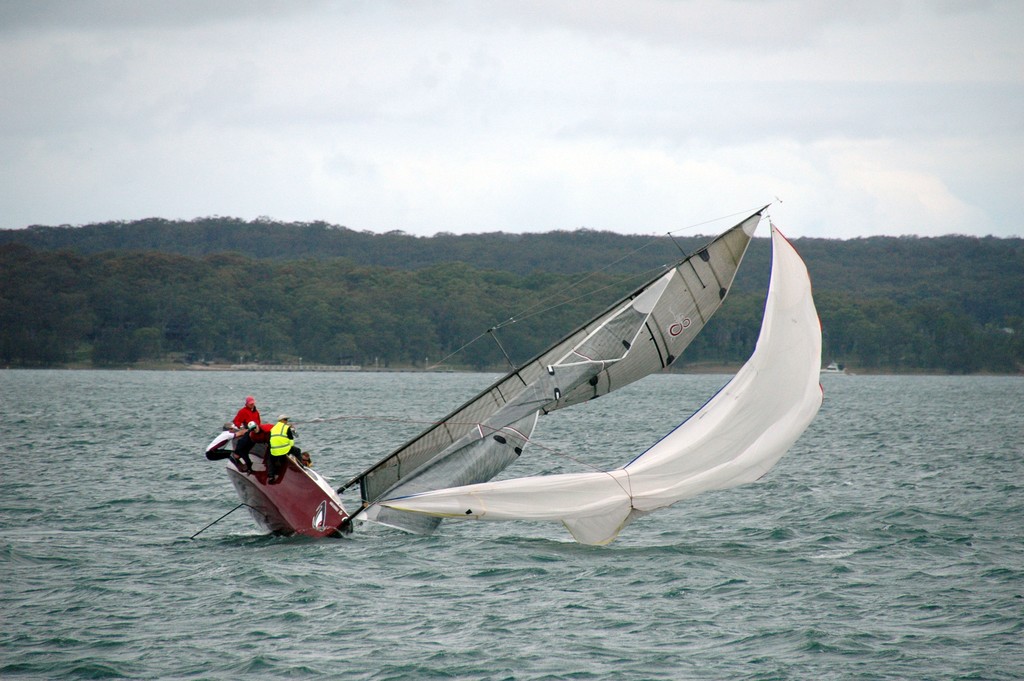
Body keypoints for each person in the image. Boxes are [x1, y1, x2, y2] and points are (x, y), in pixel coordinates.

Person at [267, 415, 303, 484]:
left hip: (274, 450)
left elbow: (270, 440)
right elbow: (291, 442)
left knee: (271, 460)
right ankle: (301, 466)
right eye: (285, 419)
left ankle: (271, 476)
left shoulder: (273, 428)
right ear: (281, 420)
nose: (287, 421)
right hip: (284, 449)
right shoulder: (286, 428)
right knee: (297, 451)